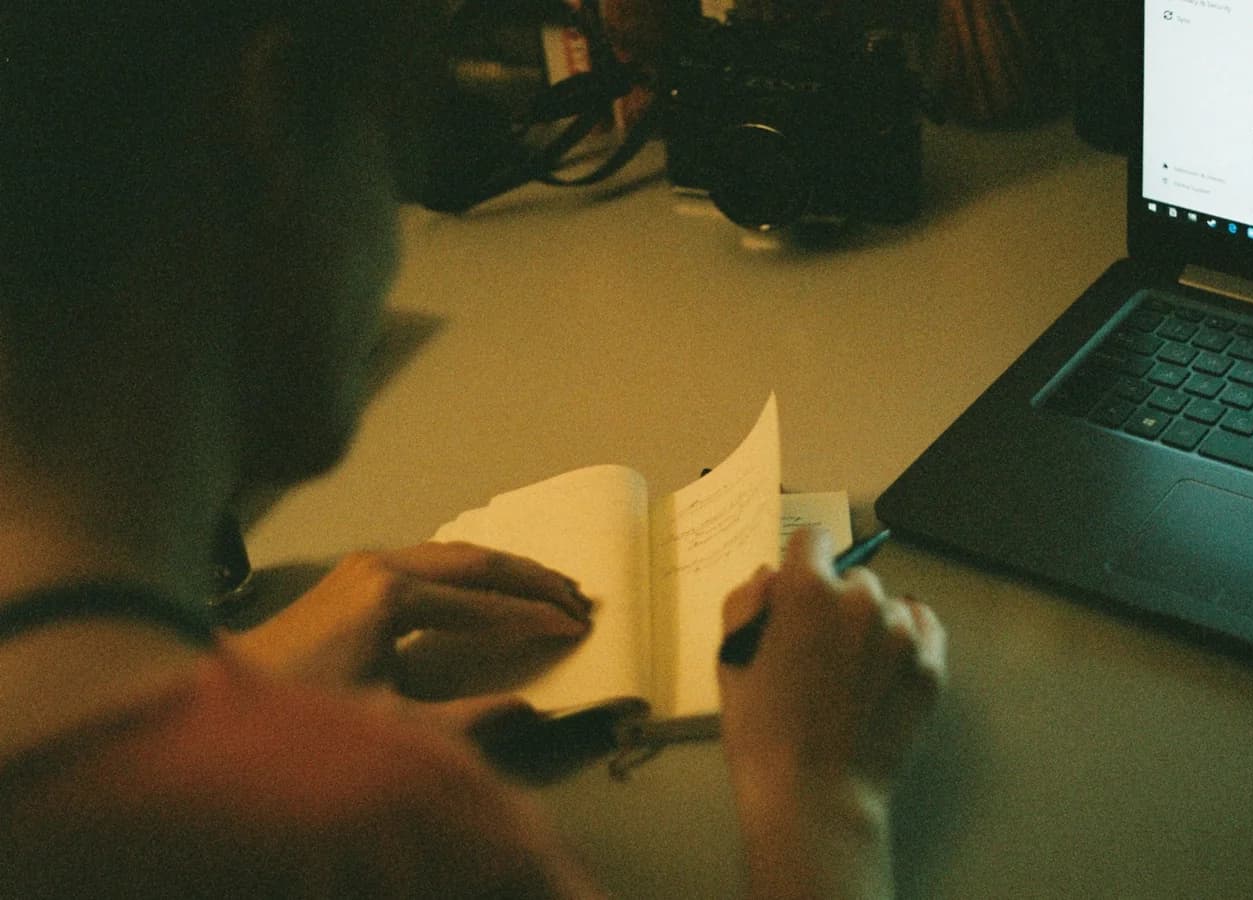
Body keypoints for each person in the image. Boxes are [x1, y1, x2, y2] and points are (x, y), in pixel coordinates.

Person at [0, 2, 947, 898]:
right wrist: (819, 797)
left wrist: (236, 679)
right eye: (397, 154)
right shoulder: (374, 827)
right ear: (274, 134)